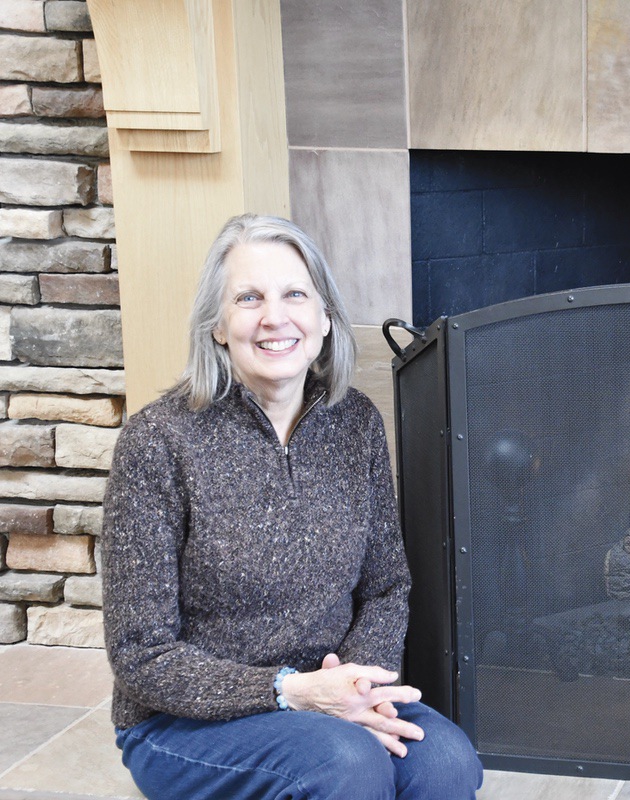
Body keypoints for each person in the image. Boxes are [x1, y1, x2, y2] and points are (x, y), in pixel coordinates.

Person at [101, 213, 483, 799]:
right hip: (185, 722)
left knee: (447, 764)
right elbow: (140, 653)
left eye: (294, 294)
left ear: (324, 318)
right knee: (347, 765)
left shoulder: (354, 422)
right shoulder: (159, 442)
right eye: (248, 297)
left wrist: (353, 688)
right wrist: (292, 693)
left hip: (328, 699)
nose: (274, 318)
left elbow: (385, 586)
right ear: (218, 326)